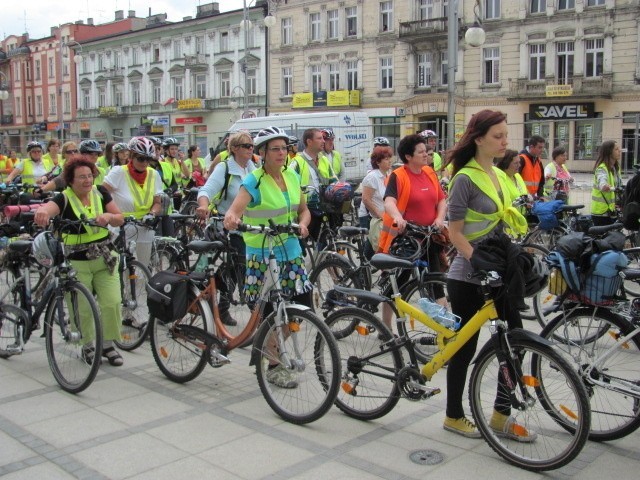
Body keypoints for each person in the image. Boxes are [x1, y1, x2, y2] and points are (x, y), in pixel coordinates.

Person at [445, 109, 530, 439]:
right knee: (464, 348)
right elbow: (454, 232)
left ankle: (500, 413)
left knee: (515, 341)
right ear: (478, 139)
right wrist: (477, 260)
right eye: (498, 136)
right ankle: (453, 415)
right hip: (468, 275)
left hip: (500, 270)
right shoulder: (464, 178)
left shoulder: (499, 173)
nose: (505, 141)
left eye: (506, 135)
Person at [223, 126, 312, 389]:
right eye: (275, 148)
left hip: (291, 250)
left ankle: (267, 347)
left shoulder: (293, 176)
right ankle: (273, 365)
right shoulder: (254, 181)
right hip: (262, 253)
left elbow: (304, 209)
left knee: (300, 308)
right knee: (272, 312)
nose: (282, 153)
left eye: (284, 148)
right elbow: (235, 210)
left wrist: (304, 223)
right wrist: (231, 219)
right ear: (262, 153)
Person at [34, 158, 125, 366]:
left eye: (90, 175)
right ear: (70, 180)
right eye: (81, 177)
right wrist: (42, 212)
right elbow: (47, 209)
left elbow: (120, 217)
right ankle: (88, 346)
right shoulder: (63, 198)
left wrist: (109, 217)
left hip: (105, 257)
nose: (87, 180)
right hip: (76, 262)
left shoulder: (101, 192)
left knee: (112, 303)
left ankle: (108, 345)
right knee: (82, 307)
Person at [378, 134, 447, 330]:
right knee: (398, 282)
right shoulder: (398, 176)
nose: (426, 154)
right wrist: (398, 218)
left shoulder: (430, 173)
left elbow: (441, 200)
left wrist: (439, 219)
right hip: (407, 239)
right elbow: (389, 201)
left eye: (426, 151)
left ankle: (446, 329)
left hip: (430, 235)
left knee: (436, 279)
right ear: (408, 156)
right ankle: (386, 326)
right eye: (422, 152)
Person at [196, 131, 257, 326]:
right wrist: (204, 205)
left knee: (236, 270)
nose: (251, 149)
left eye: (252, 146)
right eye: (247, 146)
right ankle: (233, 309)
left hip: (248, 228)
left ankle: (225, 307)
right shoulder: (225, 169)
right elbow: (206, 190)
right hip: (226, 228)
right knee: (238, 270)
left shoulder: (252, 168)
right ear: (234, 149)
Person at [102, 137, 163, 266]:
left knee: (143, 269)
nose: (145, 163)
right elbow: (101, 195)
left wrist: (152, 214)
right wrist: (109, 215)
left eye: (148, 159)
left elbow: (158, 202)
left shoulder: (154, 174)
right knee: (119, 267)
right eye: (141, 158)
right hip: (121, 227)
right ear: (131, 155)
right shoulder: (119, 172)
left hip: (144, 226)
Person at [358, 145, 393, 260]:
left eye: (390, 158)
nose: (390, 161)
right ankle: (363, 273)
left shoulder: (388, 175)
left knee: (372, 252)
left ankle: (363, 272)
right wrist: (380, 215)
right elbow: (366, 199)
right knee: (379, 252)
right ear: (378, 162)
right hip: (378, 221)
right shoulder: (372, 177)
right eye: (386, 159)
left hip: (387, 220)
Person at [591, 140, 622, 226]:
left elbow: (619, 186)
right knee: (603, 238)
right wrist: (604, 186)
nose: (619, 151)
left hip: (611, 210)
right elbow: (602, 182)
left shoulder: (616, 168)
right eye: (616, 149)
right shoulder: (602, 168)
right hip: (601, 212)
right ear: (609, 152)